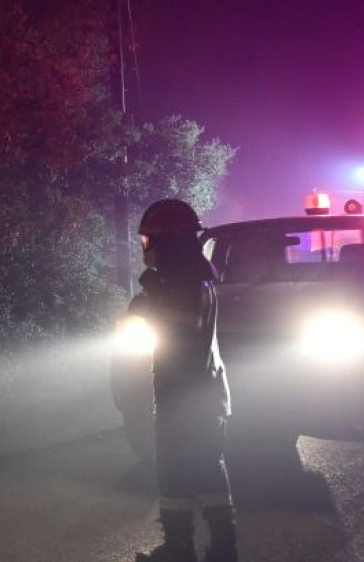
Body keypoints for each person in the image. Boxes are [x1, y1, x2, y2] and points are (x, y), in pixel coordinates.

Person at [130, 198, 237, 562]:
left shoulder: (181, 281)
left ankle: (183, 549)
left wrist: (147, 304)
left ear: (170, 241)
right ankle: (216, 547)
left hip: (187, 394)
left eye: (149, 240)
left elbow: (178, 328)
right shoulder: (192, 276)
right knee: (196, 467)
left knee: (180, 469)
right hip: (199, 391)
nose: (146, 247)